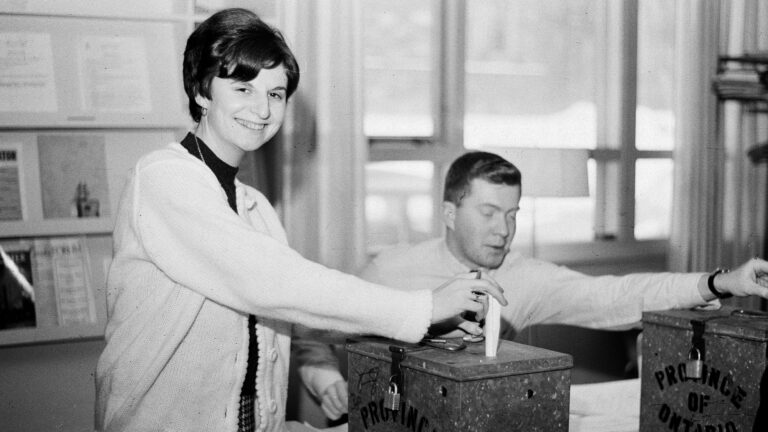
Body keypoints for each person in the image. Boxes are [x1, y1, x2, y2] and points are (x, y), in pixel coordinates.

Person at [93, 10, 505, 432]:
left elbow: (296, 317)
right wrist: (425, 306)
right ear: (201, 91)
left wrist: (427, 331)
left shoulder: (256, 209)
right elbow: (272, 282)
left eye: (275, 94)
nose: (262, 109)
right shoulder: (164, 178)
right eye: (242, 88)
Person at [296, 150, 768, 420]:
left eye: (512, 214)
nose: (504, 229)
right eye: (488, 213)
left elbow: (617, 296)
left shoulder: (524, 277)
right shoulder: (390, 268)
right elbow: (312, 332)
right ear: (448, 213)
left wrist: (722, 281)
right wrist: (325, 378)